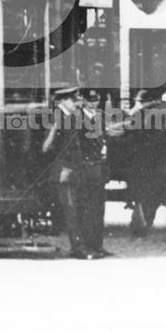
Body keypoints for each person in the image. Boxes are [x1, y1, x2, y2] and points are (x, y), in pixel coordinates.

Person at [42, 87, 109, 259]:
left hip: (76, 169)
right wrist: (63, 166)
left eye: (77, 100)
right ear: (62, 101)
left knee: (80, 209)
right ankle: (78, 248)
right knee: (71, 212)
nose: (77, 103)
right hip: (64, 169)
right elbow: (46, 147)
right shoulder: (55, 116)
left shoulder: (71, 117)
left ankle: (85, 246)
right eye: (74, 100)